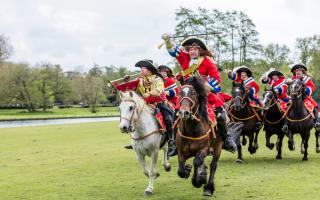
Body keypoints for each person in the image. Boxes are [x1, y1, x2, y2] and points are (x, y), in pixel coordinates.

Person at [161, 34, 237, 152]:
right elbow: (174, 51)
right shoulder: (184, 57)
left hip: (203, 93)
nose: (193, 51)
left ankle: (226, 138)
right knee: (175, 113)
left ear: (200, 50)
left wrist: (206, 86)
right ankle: (175, 143)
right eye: (190, 49)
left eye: (195, 49)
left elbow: (216, 79)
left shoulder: (207, 62)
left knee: (221, 113)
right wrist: (168, 41)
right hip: (187, 94)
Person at [114, 59, 176, 154]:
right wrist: (122, 82)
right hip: (145, 104)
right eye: (141, 68)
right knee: (134, 117)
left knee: (168, 118)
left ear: (149, 70)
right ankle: (135, 141)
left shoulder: (157, 79)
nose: (141, 70)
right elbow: (129, 88)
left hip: (159, 102)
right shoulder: (140, 80)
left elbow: (159, 90)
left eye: (143, 68)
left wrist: (149, 94)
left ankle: (171, 139)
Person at [286, 63, 320, 131]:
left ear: (303, 73)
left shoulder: (307, 79)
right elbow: (289, 88)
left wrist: (306, 89)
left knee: (313, 106)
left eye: (299, 73)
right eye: (296, 74)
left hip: (305, 98)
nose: (297, 75)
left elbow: (312, 87)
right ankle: (286, 124)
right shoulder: (293, 79)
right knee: (287, 107)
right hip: (295, 98)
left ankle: (316, 122)